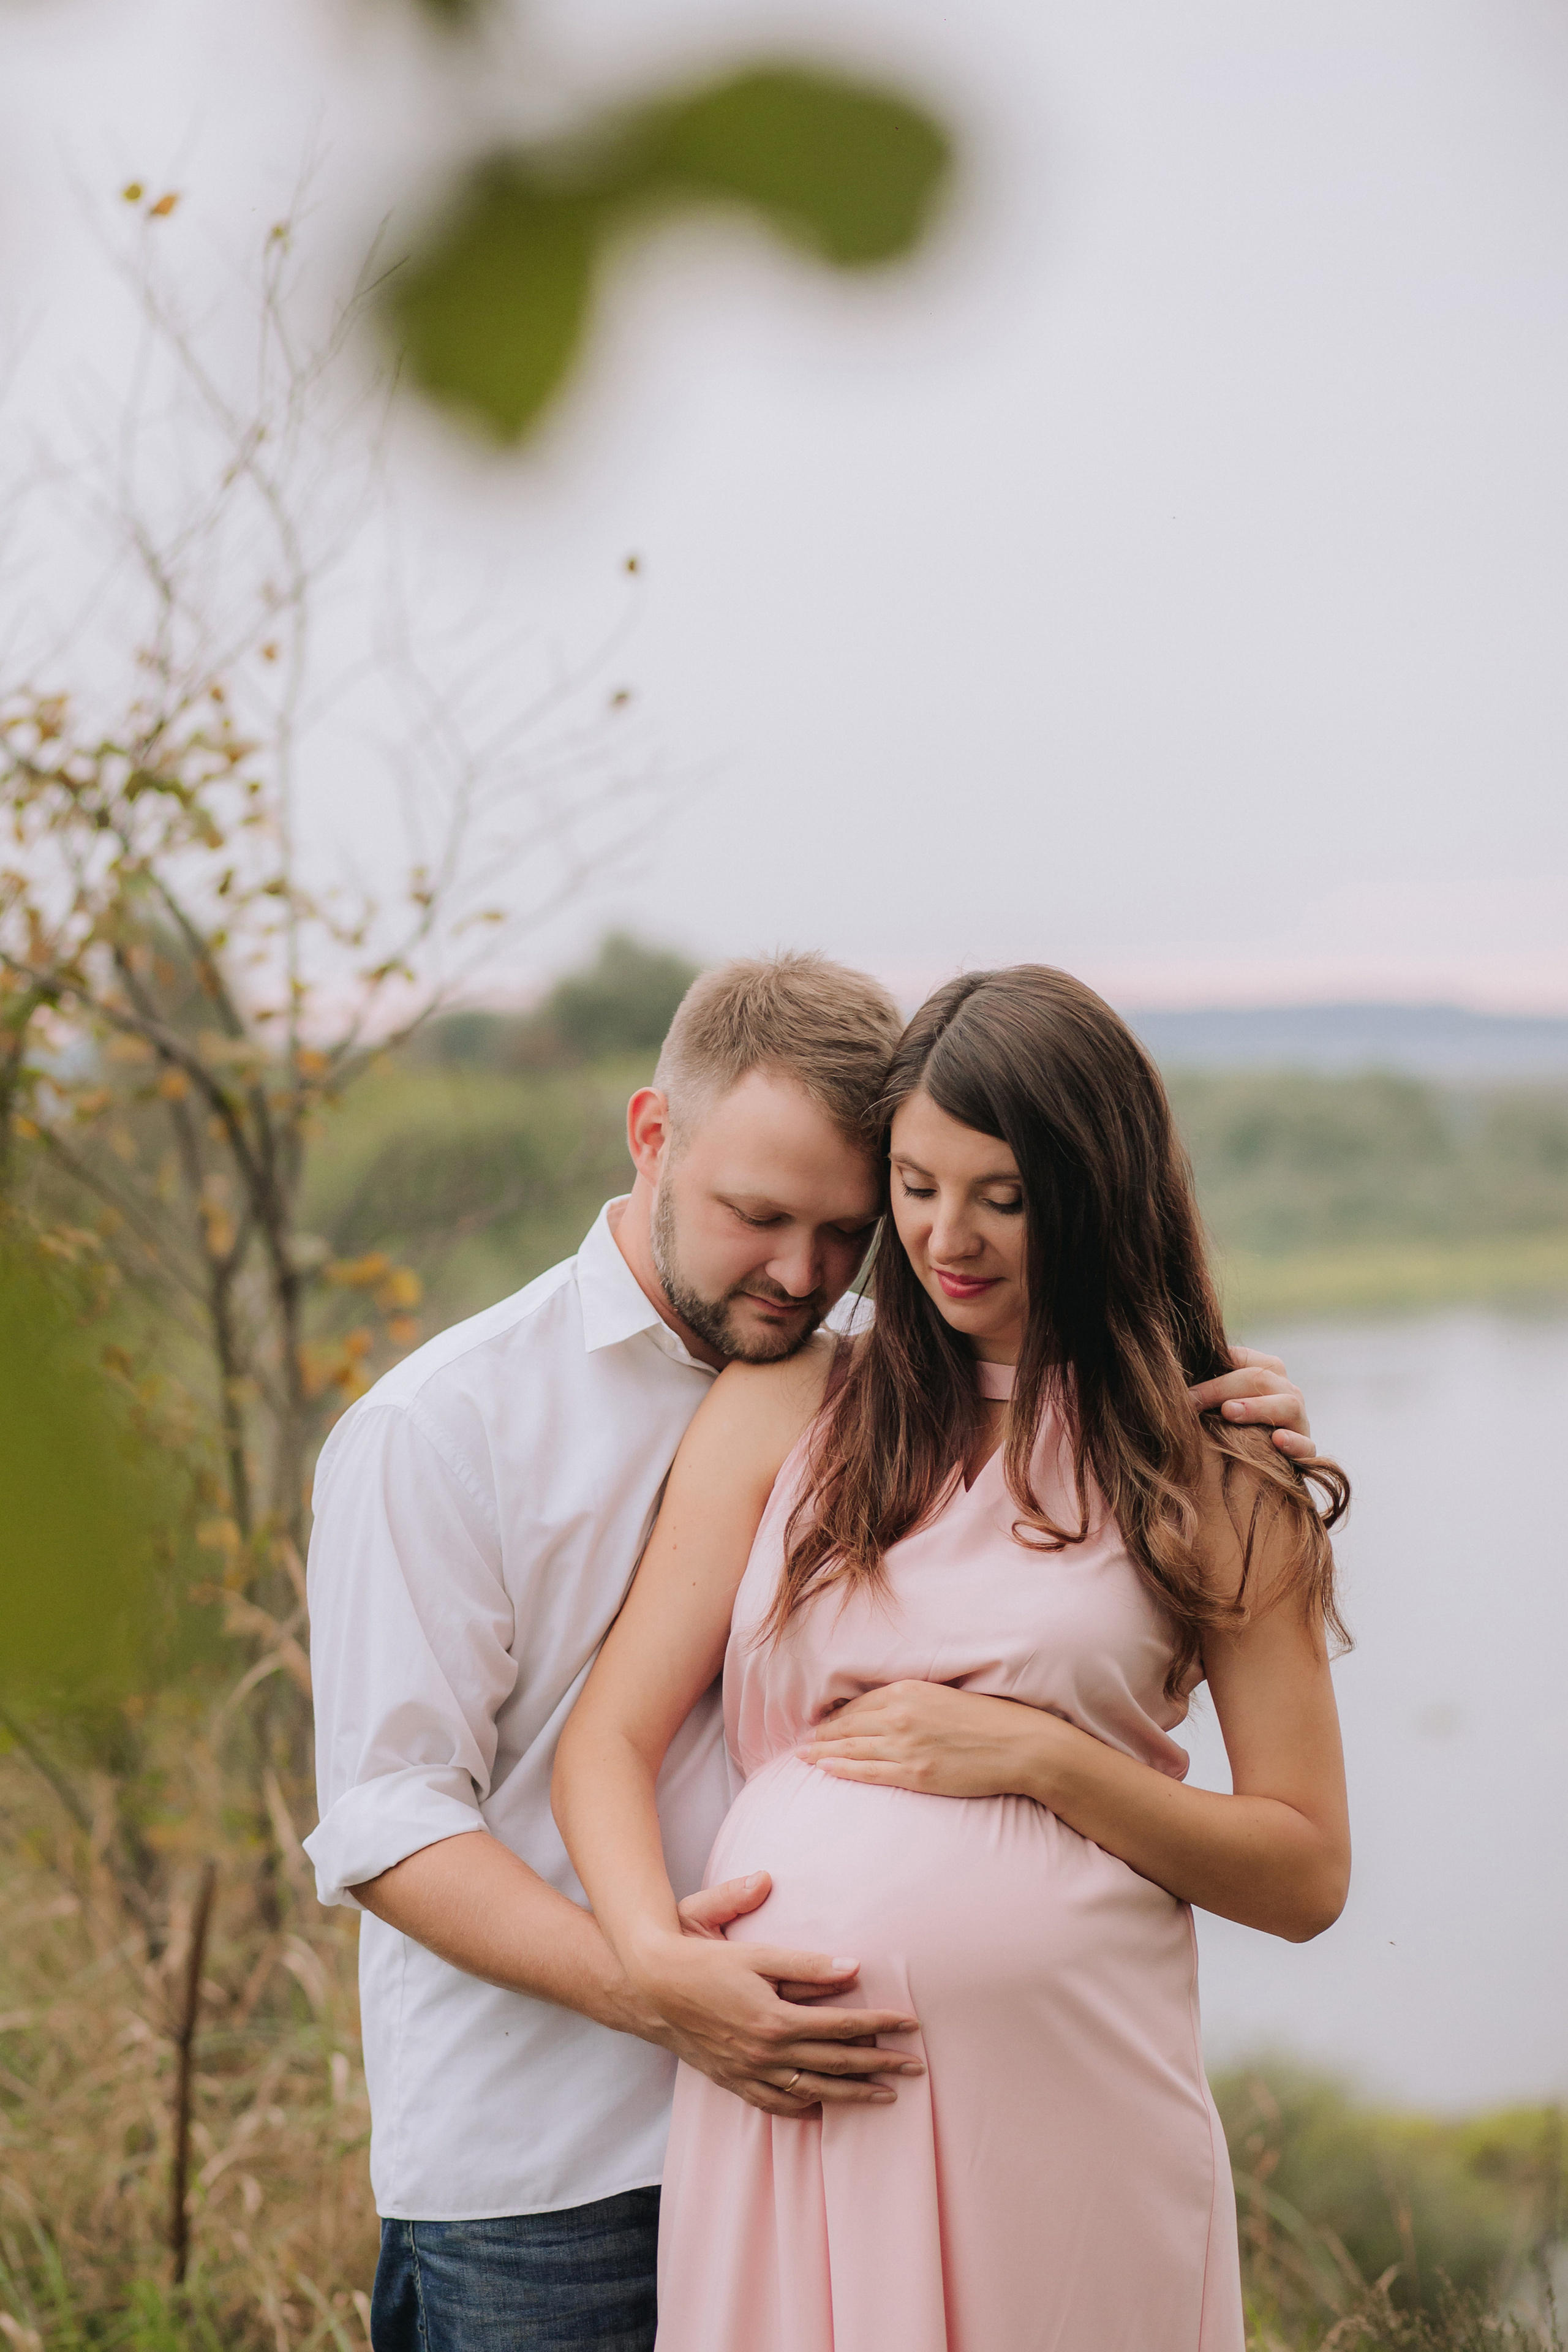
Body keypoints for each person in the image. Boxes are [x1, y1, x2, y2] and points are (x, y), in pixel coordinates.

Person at [305, 952, 1322, 2352]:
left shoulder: (861, 1366)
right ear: (651, 1137)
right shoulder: (447, 1427)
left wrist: (1040, 1748)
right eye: (758, 1217)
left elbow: (1297, 1850)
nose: (804, 1270)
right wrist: (653, 1983)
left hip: (909, 2114)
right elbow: (386, 1813)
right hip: (553, 2160)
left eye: (848, 1228)